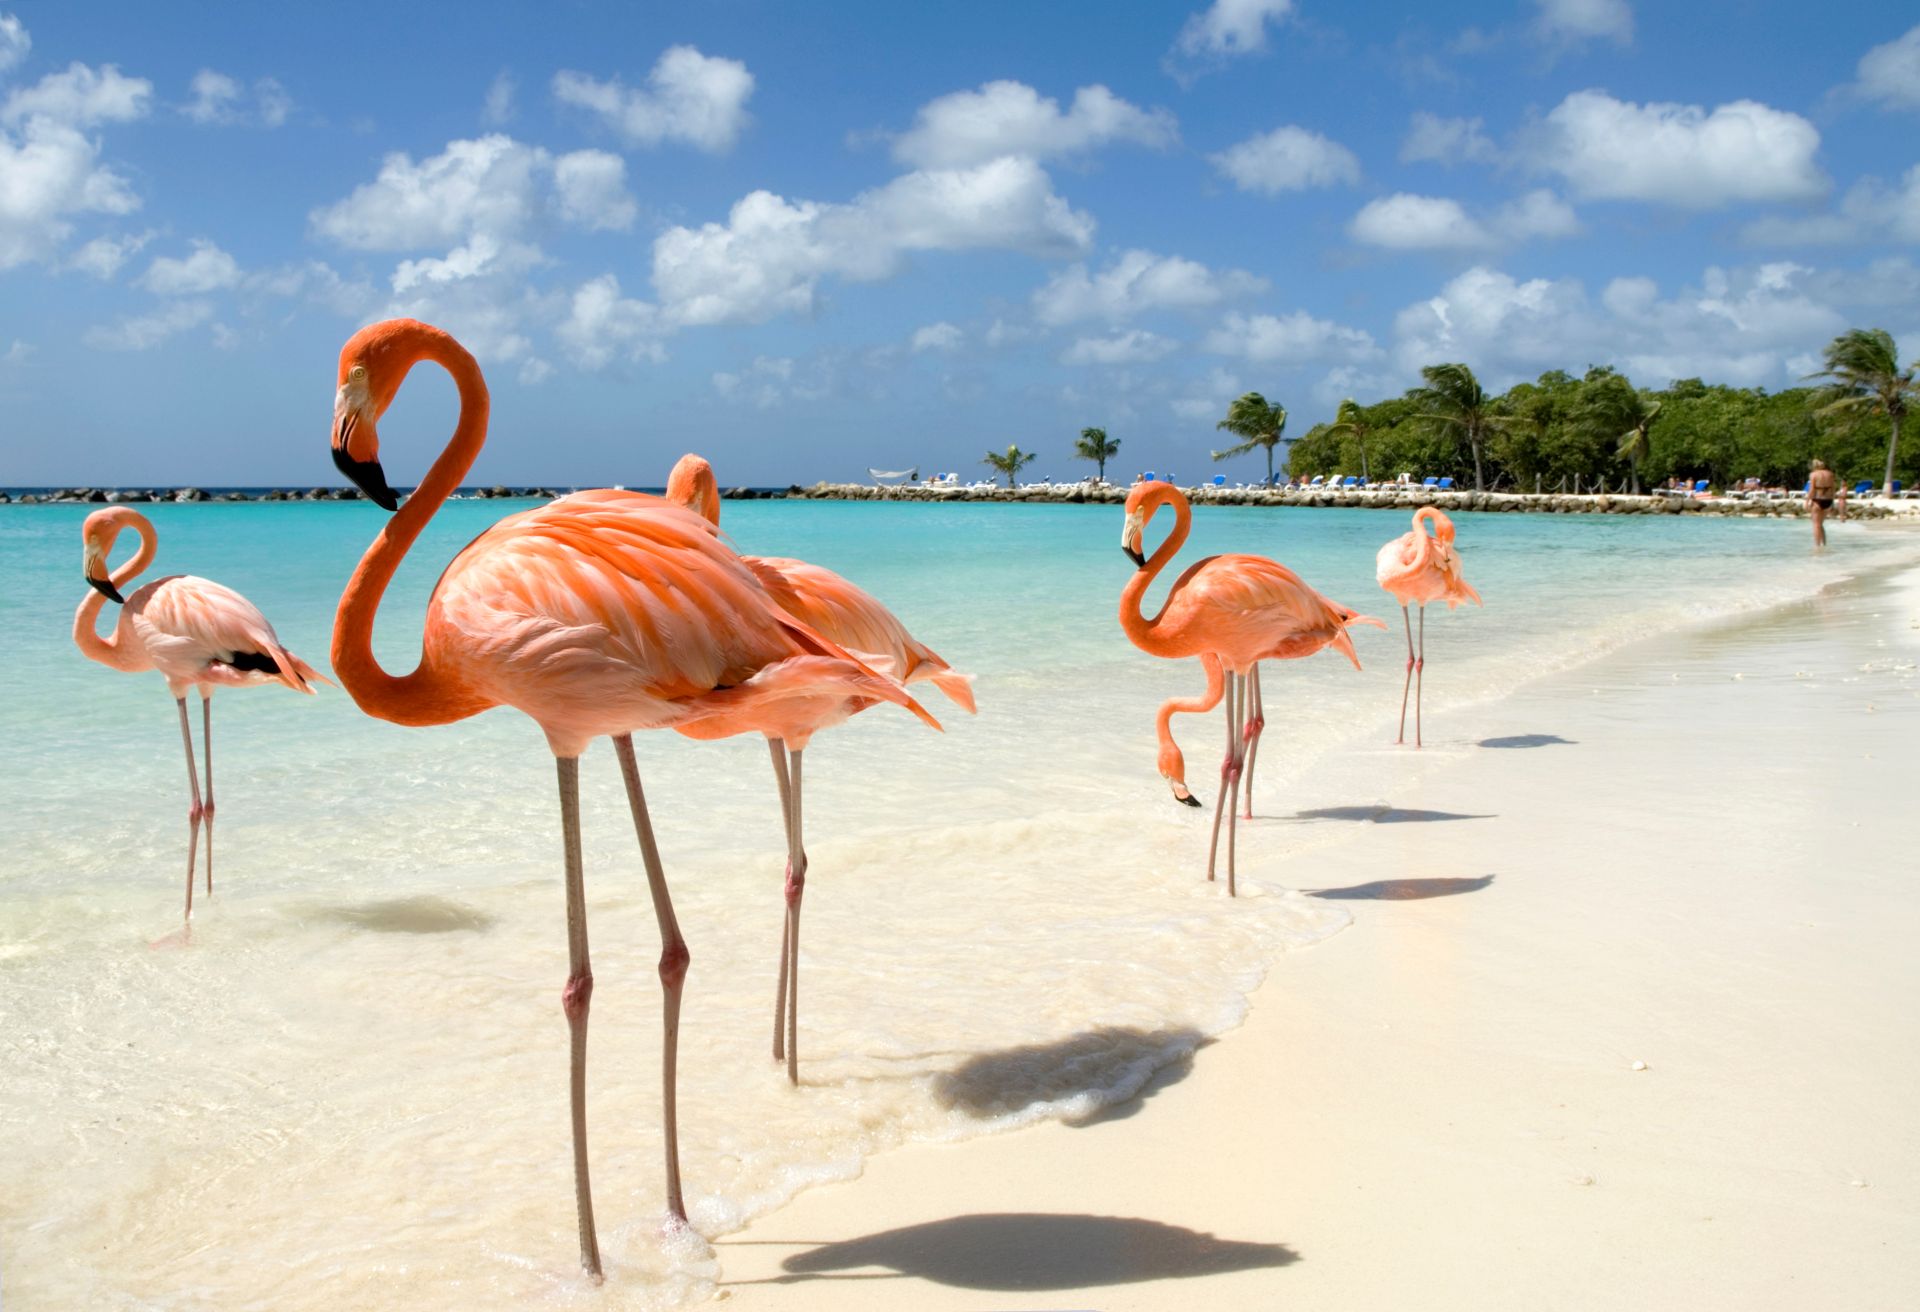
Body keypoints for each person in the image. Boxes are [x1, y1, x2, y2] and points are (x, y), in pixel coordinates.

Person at [1808, 459, 1840, 547]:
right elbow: (1833, 488)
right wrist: (1832, 502)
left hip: (1818, 499)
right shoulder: (1830, 474)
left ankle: (1817, 546)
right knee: (1820, 524)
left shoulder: (1813, 474)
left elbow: (1812, 489)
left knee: (1816, 525)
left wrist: (1807, 501)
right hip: (1828, 500)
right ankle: (1824, 544)